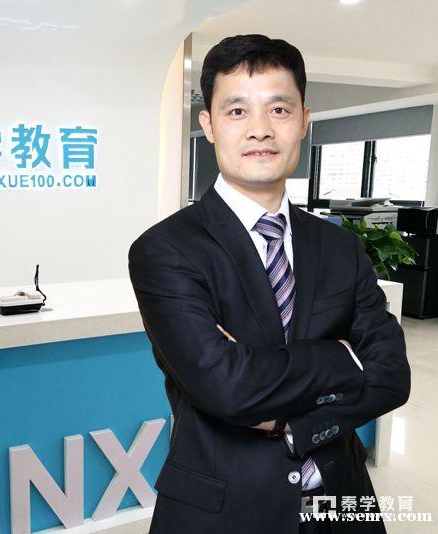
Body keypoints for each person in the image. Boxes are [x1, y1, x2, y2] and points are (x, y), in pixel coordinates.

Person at [127, 34, 410, 534]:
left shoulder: (340, 247)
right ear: (208, 125)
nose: (260, 129)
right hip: (224, 513)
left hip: (341, 505)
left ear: (304, 120)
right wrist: (344, 357)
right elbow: (229, 389)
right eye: (237, 111)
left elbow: (391, 376)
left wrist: (292, 421)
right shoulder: (165, 250)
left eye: (279, 109)